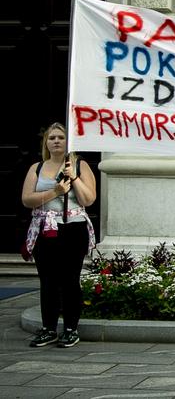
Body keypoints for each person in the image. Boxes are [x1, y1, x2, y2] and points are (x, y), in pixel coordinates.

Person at [21, 122, 97, 348]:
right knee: (48, 280)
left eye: (61, 138)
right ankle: (49, 328)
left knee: (70, 280)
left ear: (69, 141)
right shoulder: (36, 168)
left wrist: (74, 178)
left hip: (72, 228)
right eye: (51, 138)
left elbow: (88, 199)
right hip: (46, 229)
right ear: (46, 142)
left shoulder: (80, 165)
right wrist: (55, 192)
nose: (56, 141)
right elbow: (27, 199)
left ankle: (71, 328)